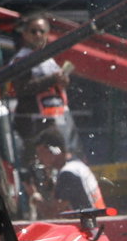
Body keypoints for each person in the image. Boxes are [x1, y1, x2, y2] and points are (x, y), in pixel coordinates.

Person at [6, 14, 77, 155]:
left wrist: (63, 82)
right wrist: (52, 79)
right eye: (33, 31)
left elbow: (56, 85)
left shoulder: (47, 58)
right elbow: (22, 88)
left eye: (41, 31)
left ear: (47, 34)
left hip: (52, 118)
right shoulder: (22, 59)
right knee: (39, 163)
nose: (38, 35)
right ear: (25, 34)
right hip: (31, 123)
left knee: (60, 159)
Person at [30, 127, 104, 219]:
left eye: (41, 153)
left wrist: (34, 196)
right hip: (97, 223)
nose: (39, 159)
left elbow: (52, 214)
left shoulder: (67, 174)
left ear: (53, 151)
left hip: (89, 227)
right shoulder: (77, 165)